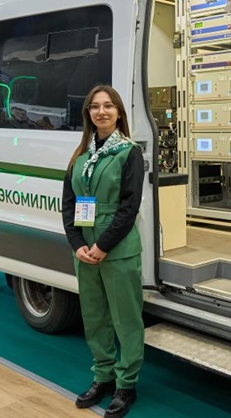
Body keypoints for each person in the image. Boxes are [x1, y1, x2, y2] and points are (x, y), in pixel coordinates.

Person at [61, 84, 144, 418]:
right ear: (88, 114)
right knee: (94, 317)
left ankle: (126, 384)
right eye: (94, 107)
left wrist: (102, 245)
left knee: (126, 319)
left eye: (108, 106)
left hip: (118, 250)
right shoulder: (80, 156)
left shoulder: (129, 152)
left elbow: (129, 207)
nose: (101, 112)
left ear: (119, 112)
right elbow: (68, 204)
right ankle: (102, 376)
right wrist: (78, 244)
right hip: (85, 252)